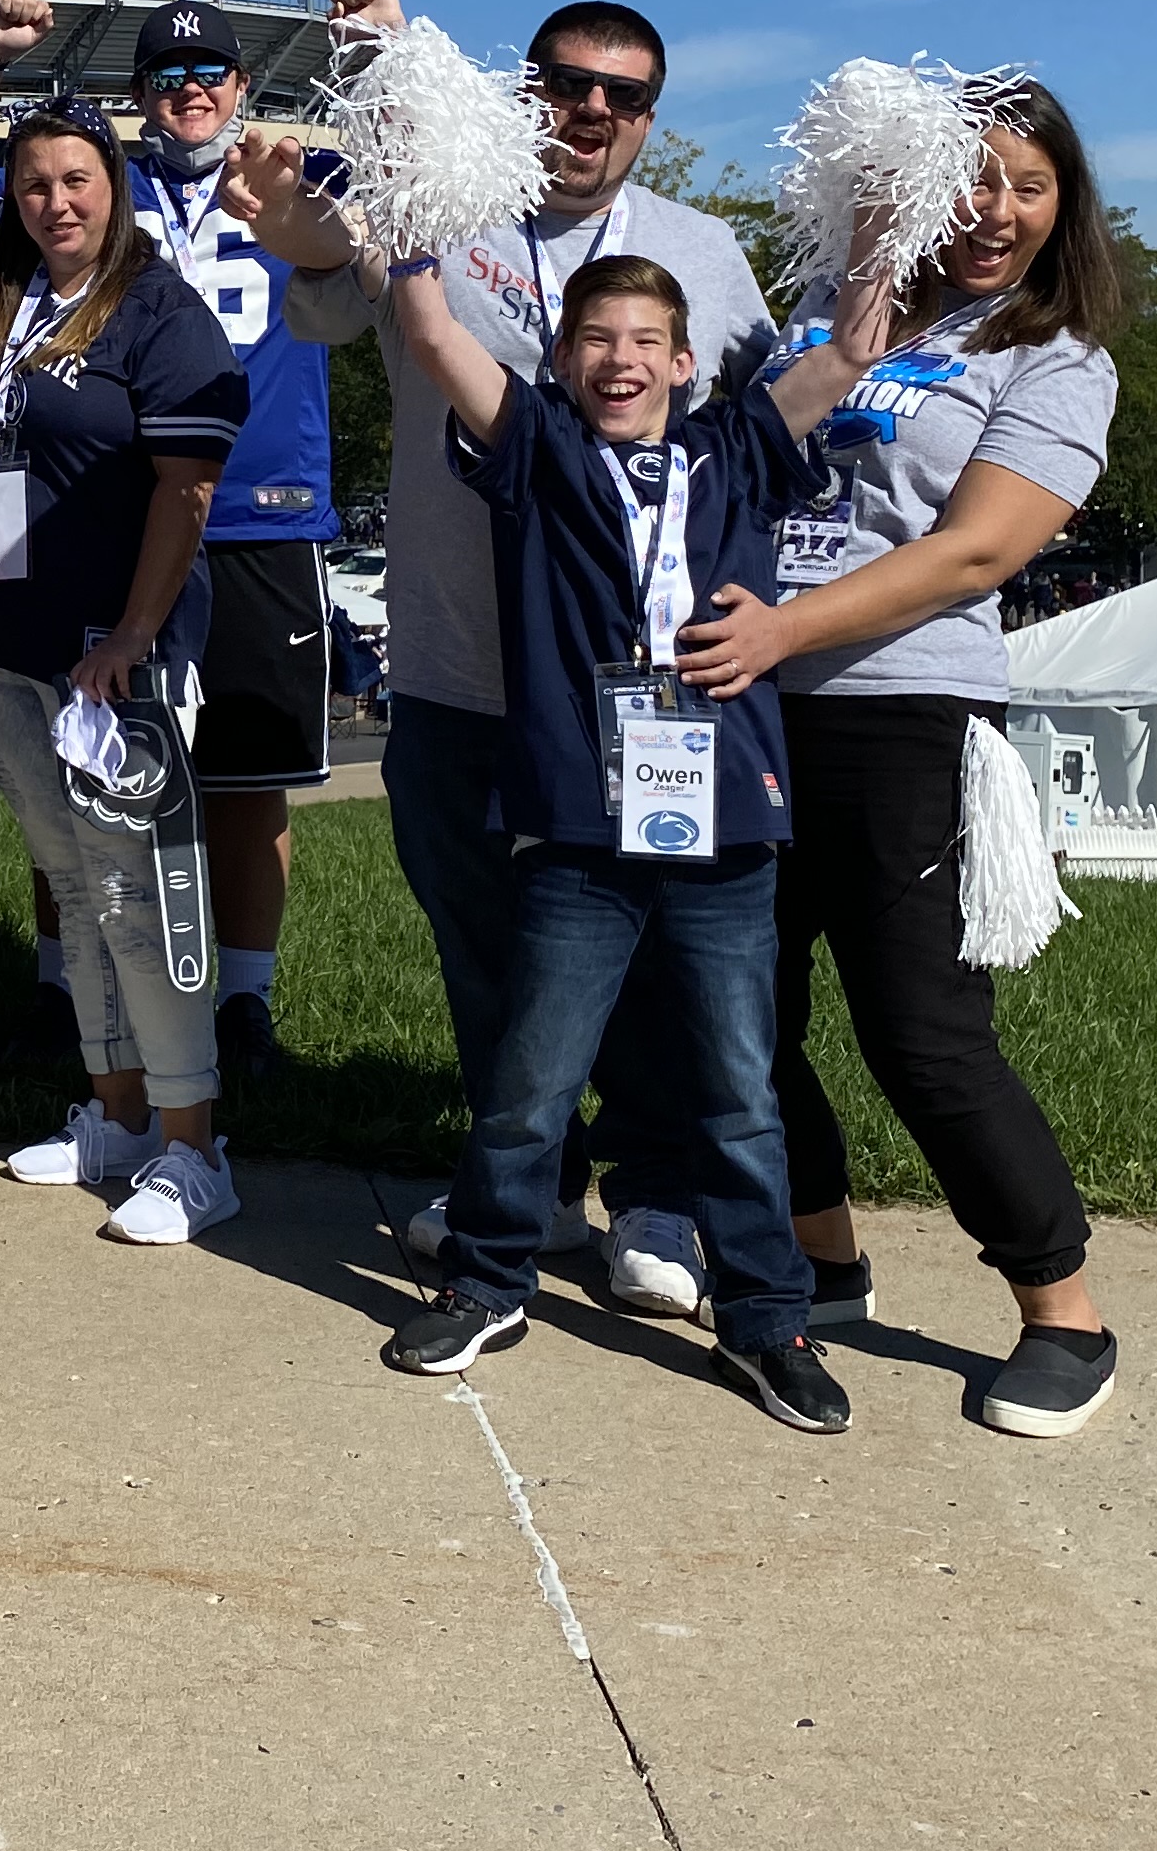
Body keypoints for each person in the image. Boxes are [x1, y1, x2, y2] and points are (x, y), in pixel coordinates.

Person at [240, 0, 775, 1320]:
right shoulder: (438, 217)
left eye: (624, 93)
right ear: (524, 89)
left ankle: (655, 1193)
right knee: (486, 949)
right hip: (459, 664)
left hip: (641, 693)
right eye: (565, 81)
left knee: (649, 951)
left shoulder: (704, 252)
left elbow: (761, 441)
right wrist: (335, 172)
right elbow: (325, 287)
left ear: (650, 117)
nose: (591, 108)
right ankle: (521, 1189)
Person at [369, 240, 902, 1432]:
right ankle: (491, 1278)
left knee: (737, 1089)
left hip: (724, 818)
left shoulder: (739, 445)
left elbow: (857, 346)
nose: (622, 361)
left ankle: (769, 1319)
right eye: (597, 340)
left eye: (645, 342)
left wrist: (878, 223)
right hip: (575, 818)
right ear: (563, 358)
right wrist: (411, 231)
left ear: (687, 361)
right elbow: (438, 338)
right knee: (531, 1078)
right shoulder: (540, 446)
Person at [674, 83, 1129, 1438]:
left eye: (1029, 187)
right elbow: (733, 462)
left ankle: (1065, 1312)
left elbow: (977, 551)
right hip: (750, 704)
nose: (997, 212)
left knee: (923, 1035)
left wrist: (787, 629)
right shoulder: (829, 307)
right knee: (742, 1018)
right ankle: (823, 1263)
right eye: (973, 180)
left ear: (1065, 208)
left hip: (899, 709)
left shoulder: (1055, 357)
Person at [0, 0, 252, 1245]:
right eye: (35, 183)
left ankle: (197, 1145)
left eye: (77, 180)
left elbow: (186, 492)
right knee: (71, 880)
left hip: (115, 645)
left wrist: (133, 636)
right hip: (9, 632)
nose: (54, 202)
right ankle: (117, 1113)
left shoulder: (158, 309)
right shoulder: (4, 277)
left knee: (144, 891)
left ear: (116, 186)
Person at [0, 0, 338, 1092]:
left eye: (211, 73)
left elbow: (393, 231)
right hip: (90, 512)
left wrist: (377, 55)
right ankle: (59, 980)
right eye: (168, 77)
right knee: (63, 757)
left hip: (254, 509)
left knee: (243, 777)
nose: (191, 91)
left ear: (241, 84)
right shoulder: (82, 199)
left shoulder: (295, 179)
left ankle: (243, 999)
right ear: (139, 99)